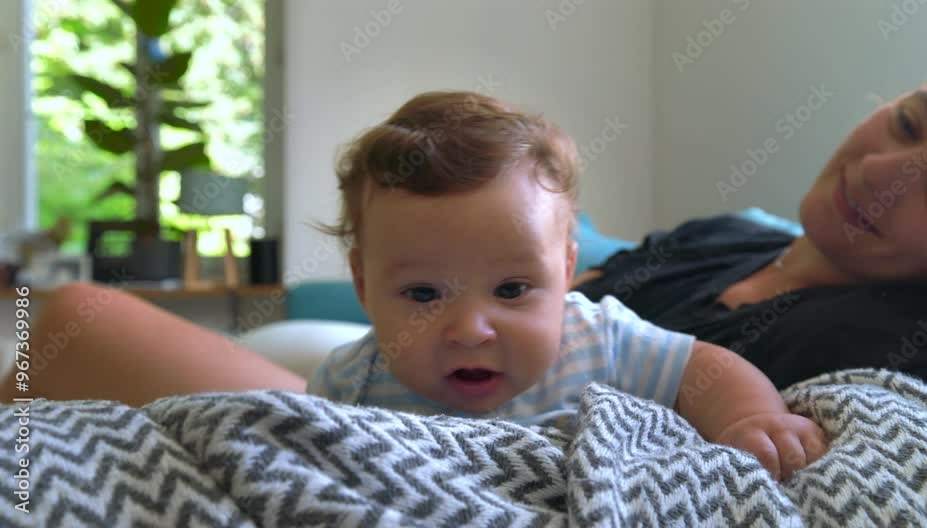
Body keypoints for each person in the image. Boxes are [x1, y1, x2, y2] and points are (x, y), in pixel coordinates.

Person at [3, 56, 927, 424]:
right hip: (386, 380)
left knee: (74, 315)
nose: (884, 175)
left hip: (469, 430)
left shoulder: (874, 343)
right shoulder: (731, 236)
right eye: (907, 124)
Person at [305, 91, 825, 480]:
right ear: (363, 284)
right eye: (423, 294)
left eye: (510, 290)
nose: (469, 330)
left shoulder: (596, 339)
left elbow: (705, 369)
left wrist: (753, 419)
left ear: (567, 271)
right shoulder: (350, 384)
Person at [572, 55, 927, 423]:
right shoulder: (731, 233)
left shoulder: (884, 354)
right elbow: (569, 293)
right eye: (907, 124)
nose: (878, 170)